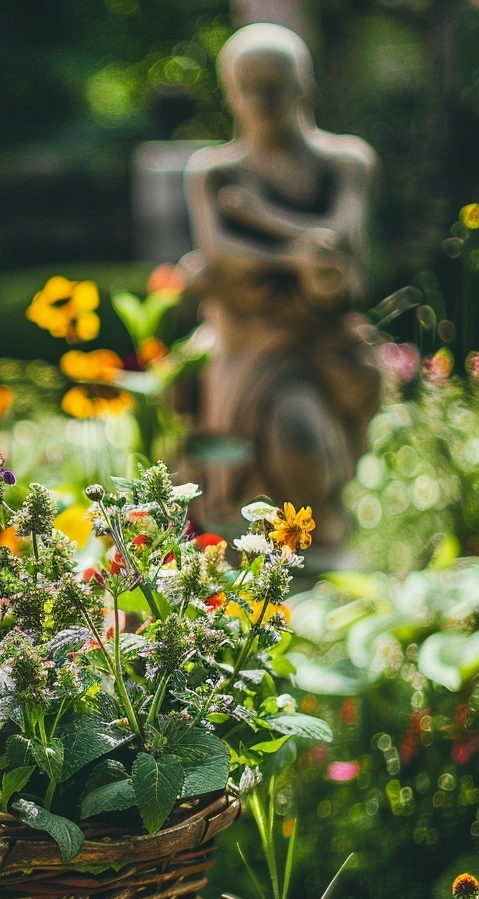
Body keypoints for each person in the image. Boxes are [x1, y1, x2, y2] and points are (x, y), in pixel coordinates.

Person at [182, 22, 382, 545]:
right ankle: (254, 567)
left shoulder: (344, 161)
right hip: (244, 345)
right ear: (230, 95)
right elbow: (221, 256)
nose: (261, 99)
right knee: (243, 468)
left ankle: (319, 550)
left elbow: (343, 240)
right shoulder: (213, 172)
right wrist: (297, 255)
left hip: (317, 346)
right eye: (248, 87)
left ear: (305, 88)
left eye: (275, 85)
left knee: (301, 436)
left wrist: (263, 218)